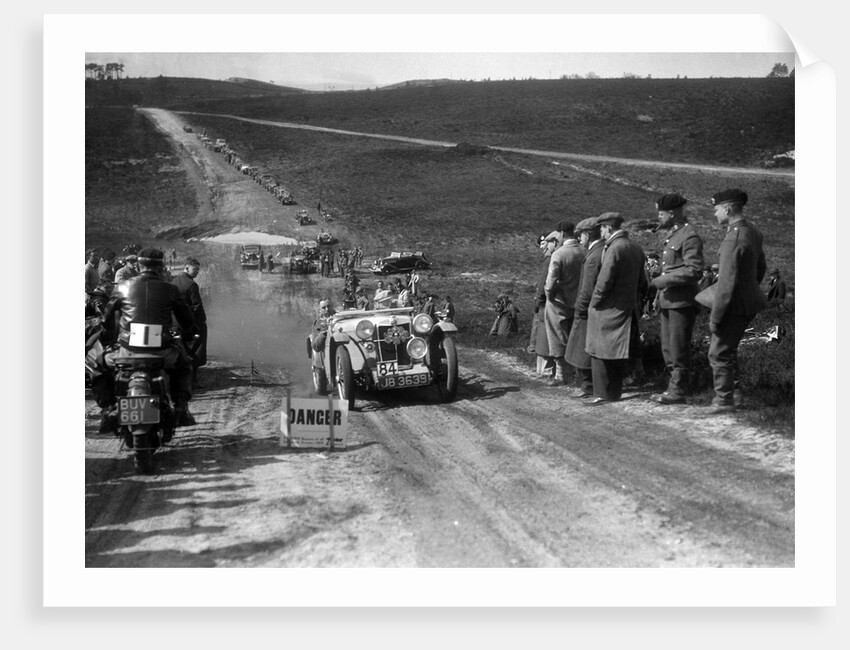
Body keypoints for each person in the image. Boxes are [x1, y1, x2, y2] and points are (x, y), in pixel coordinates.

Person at [92, 248, 198, 433]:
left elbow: (106, 319)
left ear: (139, 265)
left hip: (126, 351)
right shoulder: (170, 289)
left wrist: (108, 338)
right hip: (162, 352)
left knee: (94, 363)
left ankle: (108, 409)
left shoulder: (123, 287)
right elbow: (187, 320)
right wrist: (189, 334)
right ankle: (181, 408)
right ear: (160, 266)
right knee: (184, 364)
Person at [706, 189, 767, 413]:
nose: (715, 214)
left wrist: (716, 317)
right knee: (729, 350)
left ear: (728, 208)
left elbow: (725, 285)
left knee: (718, 352)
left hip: (732, 303)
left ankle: (724, 400)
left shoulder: (734, 237)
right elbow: (760, 268)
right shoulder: (752, 231)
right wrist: (749, 289)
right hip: (747, 300)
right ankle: (737, 395)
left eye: (717, 209)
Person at [584, 212, 647, 405]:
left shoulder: (613, 249)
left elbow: (604, 281)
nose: (601, 232)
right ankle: (615, 392)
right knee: (618, 351)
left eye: (602, 228)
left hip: (607, 307)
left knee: (599, 351)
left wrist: (594, 303)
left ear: (608, 228)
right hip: (627, 307)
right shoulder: (635, 248)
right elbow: (643, 282)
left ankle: (601, 393)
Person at [649, 193, 705, 405]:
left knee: (678, 346)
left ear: (672, 213)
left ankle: (678, 389)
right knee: (667, 347)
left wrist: (663, 281)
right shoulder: (674, 235)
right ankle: (673, 387)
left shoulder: (689, 236)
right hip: (668, 300)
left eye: (661, 214)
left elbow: (694, 271)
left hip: (681, 301)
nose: (659, 218)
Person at [564, 216, 605, 399]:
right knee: (586, 348)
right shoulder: (598, 251)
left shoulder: (594, 255)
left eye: (581, 234)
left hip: (587, 310)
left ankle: (589, 386)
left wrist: (580, 308)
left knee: (584, 349)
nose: (579, 238)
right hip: (593, 309)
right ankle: (589, 385)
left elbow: (587, 288)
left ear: (588, 235)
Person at [544, 220, 585, 386]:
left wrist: (549, 293)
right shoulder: (584, 251)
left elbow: (551, 280)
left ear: (561, 234)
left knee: (557, 334)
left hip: (559, 300)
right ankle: (578, 372)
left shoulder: (559, 253)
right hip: (579, 299)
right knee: (576, 335)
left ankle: (561, 372)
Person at [172, 257, 208, 388]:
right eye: (194, 269)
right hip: (189, 323)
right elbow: (197, 306)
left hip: (175, 323)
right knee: (194, 352)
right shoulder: (192, 284)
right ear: (186, 267)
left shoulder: (174, 281)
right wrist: (202, 321)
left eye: (198, 269)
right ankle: (193, 381)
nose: (197, 272)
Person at [531, 232, 558, 378]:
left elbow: (543, 283)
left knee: (544, 337)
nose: (543, 247)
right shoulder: (548, 258)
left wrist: (539, 299)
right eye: (541, 244)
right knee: (541, 337)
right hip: (545, 302)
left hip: (547, 303)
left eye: (545, 243)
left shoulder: (550, 259)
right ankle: (541, 369)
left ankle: (545, 371)